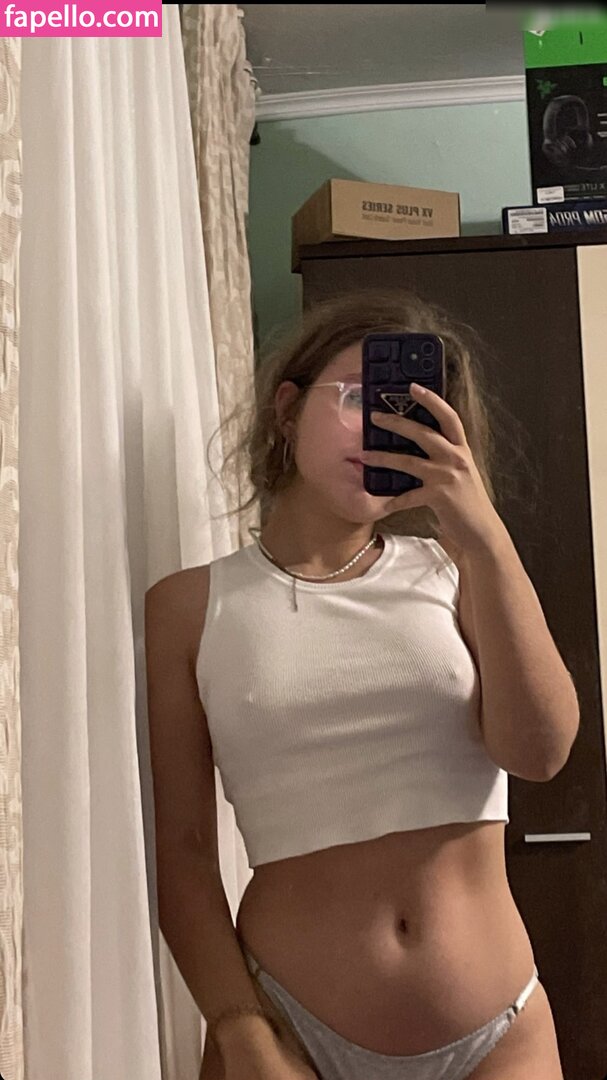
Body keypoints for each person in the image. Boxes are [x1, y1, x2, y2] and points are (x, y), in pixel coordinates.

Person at [145, 291, 577, 1080]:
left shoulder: (456, 572)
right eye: (357, 398)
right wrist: (240, 1032)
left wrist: (483, 537)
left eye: (415, 410)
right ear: (287, 410)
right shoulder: (187, 607)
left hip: (497, 1034)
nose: (383, 425)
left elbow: (539, 753)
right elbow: (183, 853)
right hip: (286, 1033)